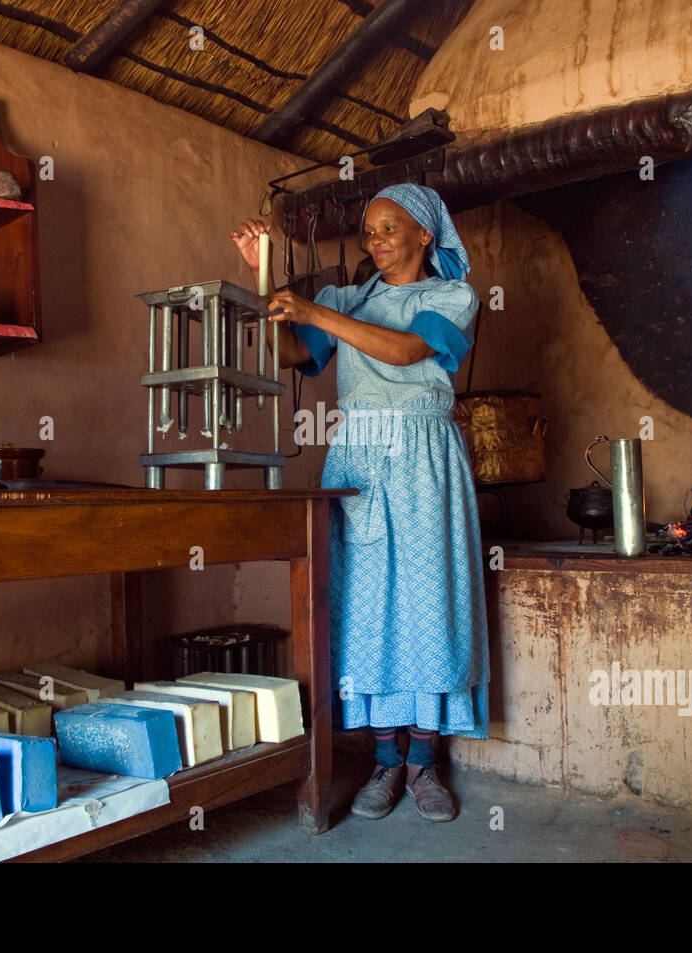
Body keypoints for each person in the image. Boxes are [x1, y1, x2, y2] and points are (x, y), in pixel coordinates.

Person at [230, 184, 489, 822]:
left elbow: (404, 352)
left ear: (426, 235)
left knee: (429, 602)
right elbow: (290, 354)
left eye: (388, 227)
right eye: (368, 230)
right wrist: (264, 284)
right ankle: (383, 761)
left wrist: (314, 313)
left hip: (424, 461)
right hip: (359, 461)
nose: (374, 240)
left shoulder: (451, 296)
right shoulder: (348, 300)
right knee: (365, 605)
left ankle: (425, 763)